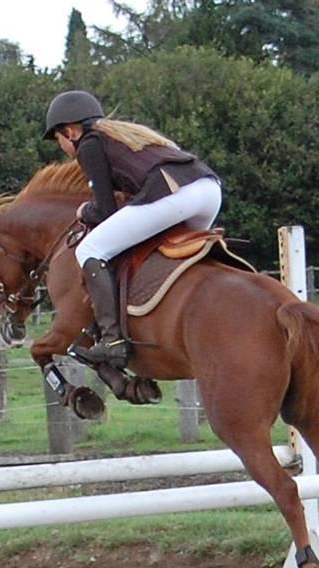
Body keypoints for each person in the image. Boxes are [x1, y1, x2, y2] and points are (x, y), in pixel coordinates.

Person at [43, 90, 222, 369]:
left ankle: (112, 341)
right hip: (209, 191)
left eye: (58, 140)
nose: (62, 147)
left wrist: (83, 212)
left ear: (70, 131)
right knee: (152, 250)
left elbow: (105, 211)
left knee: (90, 248)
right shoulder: (126, 135)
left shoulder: (89, 144)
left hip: (176, 195)